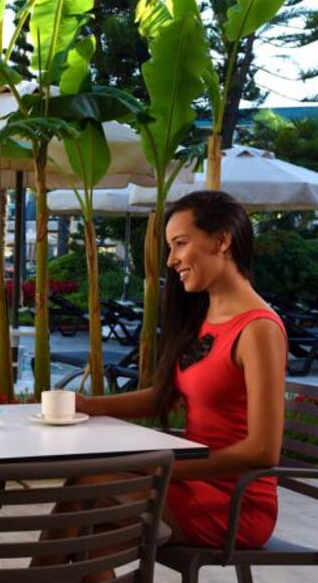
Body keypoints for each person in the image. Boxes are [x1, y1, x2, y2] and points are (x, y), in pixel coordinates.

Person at [34, 191, 287, 577]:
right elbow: (168, 397)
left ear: (222, 240)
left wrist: (164, 468)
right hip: (188, 481)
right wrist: (90, 405)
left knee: (91, 487)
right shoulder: (206, 315)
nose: (170, 260)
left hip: (233, 500)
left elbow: (263, 451)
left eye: (180, 244)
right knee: (89, 518)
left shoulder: (258, 330)